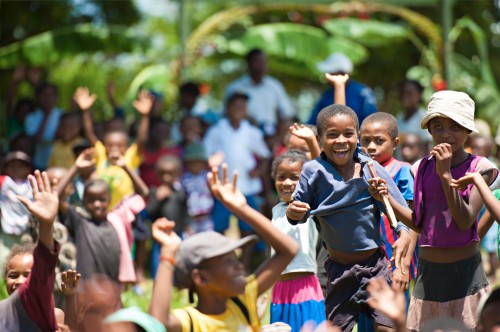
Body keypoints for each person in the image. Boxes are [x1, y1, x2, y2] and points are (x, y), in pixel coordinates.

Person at [369, 90, 499, 330]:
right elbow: (419, 224)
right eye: (438, 126)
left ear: (467, 131)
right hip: (429, 275)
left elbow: (464, 220)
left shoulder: (479, 168)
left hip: (466, 274)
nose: (446, 134)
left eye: (455, 127)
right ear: (429, 130)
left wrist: (446, 175)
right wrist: (385, 198)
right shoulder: (420, 169)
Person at [286, 104, 411, 331]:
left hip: (375, 266)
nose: (341, 140)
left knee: (387, 327)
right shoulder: (313, 171)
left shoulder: (370, 169)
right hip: (338, 271)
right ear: (320, 138)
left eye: (348, 134)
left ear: (357, 137)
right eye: (332, 135)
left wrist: (403, 233)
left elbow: (399, 214)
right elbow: (297, 210)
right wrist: (293, 212)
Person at [148, 164, 299, 332]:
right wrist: (167, 254)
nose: (239, 265)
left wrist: (241, 209)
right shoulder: (192, 322)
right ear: (201, 278)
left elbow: (289, 250)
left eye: (235, 259)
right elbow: (158, 324)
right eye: (228, 261)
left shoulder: (242, 301)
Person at [358, 112, 419, 331]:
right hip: (365, 262)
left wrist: (403, 267)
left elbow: (413, 225)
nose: (371, 146)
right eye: (365, 141)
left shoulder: (402, 171)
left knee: (392, 320)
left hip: (394, 261)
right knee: (367, 316)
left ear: (394, 143)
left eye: (379, 140)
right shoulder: (358, 171)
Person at [57, 148, 149, 284]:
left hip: (113, 288)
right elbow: (57, 198)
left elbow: (144, 193)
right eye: (91, 200)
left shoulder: (118, 217)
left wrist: (125, 166)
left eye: (102, 199)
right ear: (83, 201)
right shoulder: (80, 221)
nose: (97, 204)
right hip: (87, 289)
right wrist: (76, 167)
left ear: (110, 199)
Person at [203, 92, 272, 269]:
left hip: (246, 187)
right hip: (222, 188)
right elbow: (206, 154)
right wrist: (211, 164)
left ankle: (244, 264)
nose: (238, 110)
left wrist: (258, 171)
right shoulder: (217, 130)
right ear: (227, 109)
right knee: (219, 227)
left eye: (242, 107)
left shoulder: (251, 132)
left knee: (247, 228)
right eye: (235, 106)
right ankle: (221, 263)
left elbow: (265, 155)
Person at [270, 151, 326, 331]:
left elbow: (323, 175)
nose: (287, 183)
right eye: (281, 177)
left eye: (294, 177)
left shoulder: (308, 207)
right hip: (279, 289)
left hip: (304, 287)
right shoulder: (276, 209)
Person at [0, 170, 60, 331]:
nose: (20, 281)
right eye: (13, 275)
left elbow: (44, 261)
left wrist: (46, 225)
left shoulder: (43, 313)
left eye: (29, 276)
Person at [76, 86, 153, 209]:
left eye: (119, 145)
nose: (114, 148)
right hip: (103, 211)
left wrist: (145, 116)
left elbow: (141, 139)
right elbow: (89, 133)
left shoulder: (129, 157)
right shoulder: (102, 157)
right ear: (104, 146)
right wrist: (85, 111)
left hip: (124, 212)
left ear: (126, 147)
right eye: (110, 145)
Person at [225, 48, 295, 136]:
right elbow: (227, 115)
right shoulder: (235, 88)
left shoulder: (275, 86)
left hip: (271, 137)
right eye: (257, 62)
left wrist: (277, 138)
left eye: (264, 62)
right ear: (248, 64)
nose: (261, 66)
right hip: (243, 136)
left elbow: (286, 115)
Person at [147, 155, 190, 278]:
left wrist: (187, 226)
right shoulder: (155, 192)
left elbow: (185, 212)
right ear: (157, 174)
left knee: (179, 257)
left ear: (177, 174)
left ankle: (177, 279)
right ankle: (158, 278)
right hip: (160, 235)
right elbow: (149, 212)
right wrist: (158, 199)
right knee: (158, 258)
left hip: (177, 232)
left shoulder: (180, 193)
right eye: (163, 174)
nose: (166, 177)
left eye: (170, 174)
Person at [308, 53, 377, 127]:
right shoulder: (327, 94)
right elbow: (314, 122)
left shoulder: (363, 93)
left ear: (340, 73)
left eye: (330, 73)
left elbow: (371, 122)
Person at [0, 151, 34, 268]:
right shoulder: (3, 181)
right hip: (6, 231)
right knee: (4, 262)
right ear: (6, 168)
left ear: (28, 168)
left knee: (23, 263)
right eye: (12, 165)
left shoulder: (33, 183)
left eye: (21, 165)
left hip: (26, 231)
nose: (17, 169)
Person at [24, 82, 62, 170]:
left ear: (56, 98)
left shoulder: (61, 115)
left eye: (51, 95)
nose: (48, 99)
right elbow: (37, 139)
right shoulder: (31, 117)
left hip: (58, 162)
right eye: (44, 95)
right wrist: (46, 116)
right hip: (39, 163)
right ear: (38, 97)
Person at [180, 143, 214, 235]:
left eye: (197, 162)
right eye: (192, 162)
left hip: (206, 217)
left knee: (208, 239)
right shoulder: (184, 179)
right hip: (191, 218)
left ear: (203, 163)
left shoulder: (208, 176)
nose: (195, 165)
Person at [396, 80, 432, 148]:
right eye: (403, 93)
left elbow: (426, 144)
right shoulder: (399, 117)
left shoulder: (424, 117)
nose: (405, 96)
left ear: (419, 95)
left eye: (409, 93)